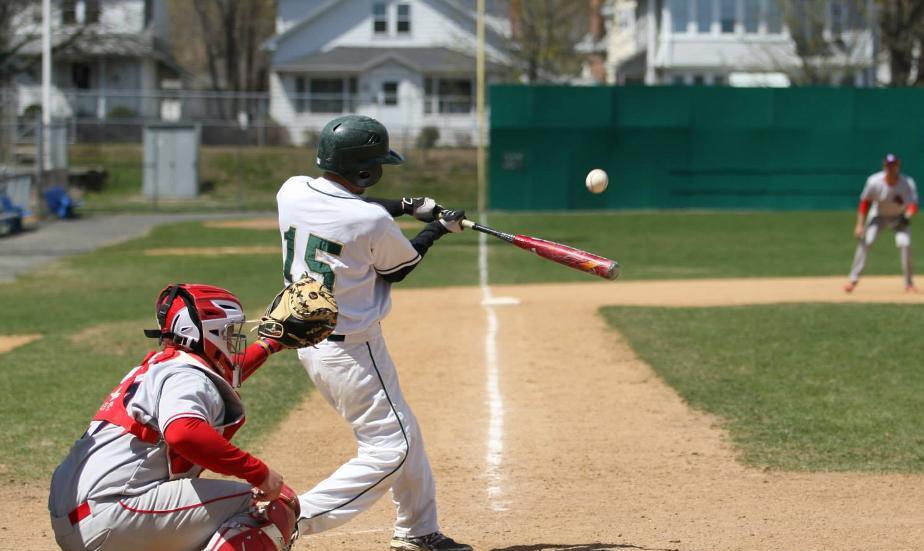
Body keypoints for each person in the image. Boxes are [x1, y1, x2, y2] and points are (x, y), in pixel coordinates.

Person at [275, 114, 472, 551]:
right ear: (365, 169)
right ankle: (289, 519)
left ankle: (418, 531)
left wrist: (404, 204)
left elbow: (344, 206)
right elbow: (401, 267)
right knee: (391, 449)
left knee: (405, 432)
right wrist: (438, 228)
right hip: (351, 352)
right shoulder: (370, 223)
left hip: (311, 339)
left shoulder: (290, 189)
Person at [48, 283, 301, 551]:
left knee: (198, 512)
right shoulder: (185, 376)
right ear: (207, 333)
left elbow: (220, 379)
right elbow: (184, 432)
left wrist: (272, 343)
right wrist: (259, 473)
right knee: (271, 506)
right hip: (112, 515)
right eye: (227, 332)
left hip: (84, 518)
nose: (233, 341)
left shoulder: (163, 368)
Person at [845, 153, 919, 293]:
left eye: (894, 165)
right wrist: (859, 225)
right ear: (884, 166)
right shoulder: (874, 181)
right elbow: (864, 203)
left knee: (905, 244)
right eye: (888, 165)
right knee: (867, 241)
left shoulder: (907, 182)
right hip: (878, 216)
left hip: (899, 217)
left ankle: (908, 283)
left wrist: (907, 216)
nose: (891, 168)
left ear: (898, 166)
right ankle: (853, 279)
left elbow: (913, 205)